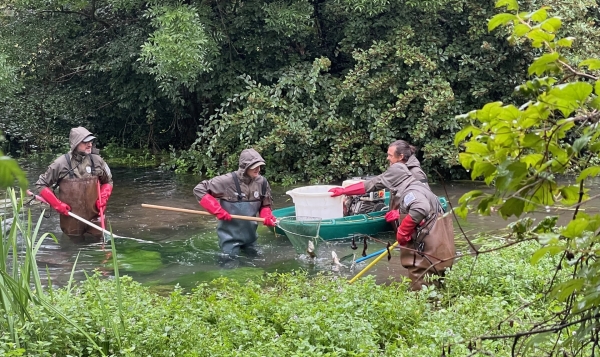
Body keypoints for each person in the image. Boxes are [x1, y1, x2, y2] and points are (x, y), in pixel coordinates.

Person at [329, 141, 455, 290]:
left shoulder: (414, 176)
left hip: (429, 233)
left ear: (401, 156)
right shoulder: (399, 172)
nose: (387, 158)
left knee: (423, 275)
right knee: (434, 279)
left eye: (390, 155)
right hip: (430, 236)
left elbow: (422, 206)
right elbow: (374, 183)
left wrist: (403, 225)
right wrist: (344, 191)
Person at [193, 148, 277, 258]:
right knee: (229, 264)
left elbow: (265, 204)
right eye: (254, 166)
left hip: (251, 237)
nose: (258, 169)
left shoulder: (262, 182)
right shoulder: (226, 181)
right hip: (229, 239)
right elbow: (199, 189)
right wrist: (217, 211)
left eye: (260, 165)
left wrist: (266, 215)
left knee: (257, 263)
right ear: (245, 167)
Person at [35, 126, 113, 239]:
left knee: (99, 245)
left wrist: (104, 197)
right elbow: (41, 184)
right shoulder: (60, 163)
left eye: (90, 141)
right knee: (75, 249)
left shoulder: (97, 161)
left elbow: (108, 181)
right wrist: (57, 205)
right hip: (71, 219)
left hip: (96, 217)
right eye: (85, 141)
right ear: (76, 143)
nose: (90, 144)